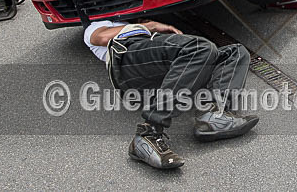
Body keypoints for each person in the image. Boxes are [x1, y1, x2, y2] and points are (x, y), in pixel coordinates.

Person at [84, 19, 259, 167]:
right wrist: (151, 25)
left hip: (157, 64)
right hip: (127, 60)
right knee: (200, 48)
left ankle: (215, 114)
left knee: (235, 52)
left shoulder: (134, 23)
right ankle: (147, 133)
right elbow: (102, 37)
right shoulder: (96, 25)